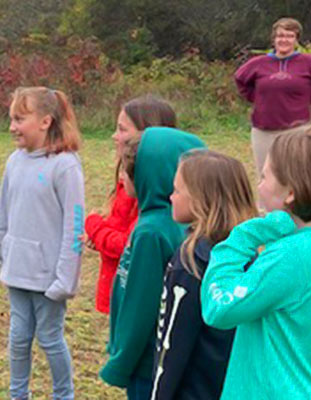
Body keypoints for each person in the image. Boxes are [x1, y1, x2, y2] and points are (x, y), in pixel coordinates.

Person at [202, 126, 311, 399]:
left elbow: (219, 308)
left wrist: (241, 239)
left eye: (263, 176)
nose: (259, 186)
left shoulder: (289, 256)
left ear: (290, 192)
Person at [0, 87, 85, 400]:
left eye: (19, 119)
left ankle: (63, 395)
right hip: (17, 271)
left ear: (45, 121)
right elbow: (3, 214)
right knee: (18, 338)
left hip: (49, 278)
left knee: (50, 338)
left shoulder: (65, 166)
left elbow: (74, 225)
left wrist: (64, 279)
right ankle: (18, 395)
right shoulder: (14, 161)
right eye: (11, 118)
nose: (12, 126)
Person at [99, 128, 205, 400]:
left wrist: (120, 364)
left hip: (145, 362)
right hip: (168, 360)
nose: (121, 177)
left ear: (150, 175)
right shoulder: (179, 222)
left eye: (126, 170)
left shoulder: (150, 232)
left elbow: (140, 306)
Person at [151, 151, 257, 399]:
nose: (170, 197)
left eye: (177, 191)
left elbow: (171, 347)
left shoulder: (190, 264)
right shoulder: (253, 256)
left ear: (200, 200)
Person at [84, 95, 177, 314]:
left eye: (122, 129)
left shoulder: (150, 192)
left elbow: (129, 244)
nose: (114, 136)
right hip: (121, 292)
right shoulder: (129, 182)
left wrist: (95, 227)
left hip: (133, 298)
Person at [234, 17, 311, 178]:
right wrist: (255, 97)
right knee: (266, 176)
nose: (284, 40)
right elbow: (240, 79)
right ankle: (268, 205)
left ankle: (295, 205)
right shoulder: (259, 63)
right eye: (280, 36)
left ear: (296, 40)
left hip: (297, 130)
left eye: (289, 36)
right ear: (273, 39)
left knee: (297, 177)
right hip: (263, 130)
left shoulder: (309, 62)